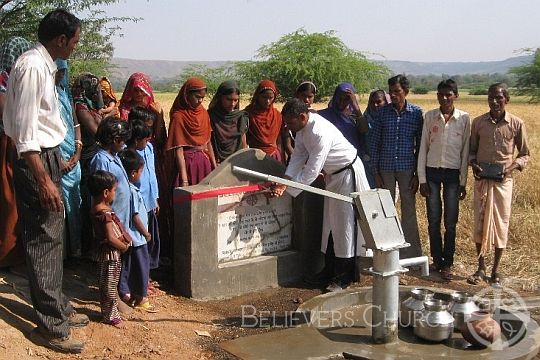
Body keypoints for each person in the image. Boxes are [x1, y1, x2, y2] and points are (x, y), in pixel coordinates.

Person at [2, 9, 88, 353]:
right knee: (43, 237)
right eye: (76, 41)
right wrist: (44, 180)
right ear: (61, 39)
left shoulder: (44, 65)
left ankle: (57, 306)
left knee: (52, 235)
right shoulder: (32, 67)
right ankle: (50, 326)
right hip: (35, 160)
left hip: (47, 156)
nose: (76, 47)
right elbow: (24, 135)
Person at [270, 98, 371, 291]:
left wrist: (286, 188)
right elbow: (298, 156)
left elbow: (312, 171)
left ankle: (344, 277)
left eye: (290, 122)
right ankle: (329, 271)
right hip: (333, 177)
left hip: (347, 177)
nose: (287, 126)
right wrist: (285, 179)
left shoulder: (319, 132)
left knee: (345, 227)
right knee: (331, 225)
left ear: (302, 116)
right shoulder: (301, 129)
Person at [467, 83, 529, 286]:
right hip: (482, 181)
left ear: (506, 100)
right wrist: (474, 165)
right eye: (491, 98)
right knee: (480, 223)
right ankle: (481, 268)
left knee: (501, 224)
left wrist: (509, 169)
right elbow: (472, 152)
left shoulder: (516, 124)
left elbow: (525, 154)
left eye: (499, 98)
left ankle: (495, 270)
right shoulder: (478, 123)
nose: (494, 102)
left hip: (504, 183)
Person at [417, 79, 470, 281]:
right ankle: (436, 260)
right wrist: (422, 178)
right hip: (431, 172)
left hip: (452, 175)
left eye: (449, 94)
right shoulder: (430, 117)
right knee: (433, 220)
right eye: (441, 95)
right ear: (437, 96)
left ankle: (448, 262)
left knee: (450, 221)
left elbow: (465, 152)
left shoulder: (464, 118)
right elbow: (423, 148)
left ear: (456, 95)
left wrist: (463, 181)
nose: (445, 98)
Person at [370, 74, 423, 260]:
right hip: (385, 168)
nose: (393, 95)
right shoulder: (382, 113)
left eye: (397, 92)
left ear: (406, 92)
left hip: (407, 168)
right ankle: (387, 254)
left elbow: (421, 146)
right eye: (391, 92)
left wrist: (418, 174)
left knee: (408, 210)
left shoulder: (416, 113)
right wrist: (375, 173)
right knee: (386, 210)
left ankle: (411, 254)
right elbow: (374, 144)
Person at [0, 36, 33, 267]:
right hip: (8, 143)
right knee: (9, 196)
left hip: (13, 142)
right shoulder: (5, 81)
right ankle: (7, 254)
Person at [88, 170, 132, 328]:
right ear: (106, 192)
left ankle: (108, 313)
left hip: (103, 253)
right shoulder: (105, 213)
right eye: (114, 190)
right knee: (110, 286)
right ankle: (111, 316)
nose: (115, 194)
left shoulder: (95, 208)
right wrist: (124, 247)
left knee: (105, 284)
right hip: (110, 255)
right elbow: (111, 238)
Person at [118, 149, 157, 312]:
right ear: (133, 173)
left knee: (130, 267)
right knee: (141, 268)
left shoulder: (129, 188)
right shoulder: (132, 191)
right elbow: (135, 215)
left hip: (134, 237)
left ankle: (131, 294)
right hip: (137, 237)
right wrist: (146, 233)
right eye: (141, 171)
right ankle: (140, 297)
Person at [126, 114, 161, 292]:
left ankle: (147, 276)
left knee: (151, 241)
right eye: (145, 138)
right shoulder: (129, 154)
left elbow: (152, 175)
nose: (148, 141)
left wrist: (155, 198)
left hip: (149, 201)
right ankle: (140, 281)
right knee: (140, 242)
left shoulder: (149, 148)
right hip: (137, 205)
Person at [72, 72, 105, 257]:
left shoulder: (89, 105)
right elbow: (97, 130)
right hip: (86, 158)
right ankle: (86, 247)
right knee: (87, 201)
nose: (97, 92)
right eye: (95, 88)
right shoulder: (80, 107)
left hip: (92, 154)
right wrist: (102, 116)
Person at [55, 59, 83, 259]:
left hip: (73, 156)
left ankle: (76, 250)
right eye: (58, 71)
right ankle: (62, 254)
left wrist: (78, 151)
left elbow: (75, 125)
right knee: (59, 206)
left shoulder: (65, 95)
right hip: (57, 158)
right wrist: (59, 160)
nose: (61, 75)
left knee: (75, 202)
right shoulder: (45, 96)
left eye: (64, 71)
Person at [166, 77, 216, 187]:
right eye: (197, 97)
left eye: (202, 98)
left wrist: (214, 167)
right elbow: (178, 148)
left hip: (204, 162)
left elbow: (208, 141)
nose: (200, 101)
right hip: (187, 164)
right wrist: (184, 179)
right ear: (187, 95)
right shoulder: (179, 116)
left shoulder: (203, 113)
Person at [89, 117, 132, 237]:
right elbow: (100, 195)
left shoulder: (115, 156)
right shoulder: (101, 160)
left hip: (121, 222)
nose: (124, 145)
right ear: (115, 140)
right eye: (123, 141)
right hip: (111, 226)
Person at [318, 82, 368, 155]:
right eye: (339, 98)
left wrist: (356, 107)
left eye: (346, 99)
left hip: (352, 158)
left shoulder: (354, 115)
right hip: (333, 157)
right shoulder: (324, 115)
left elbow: (364, 130)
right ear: (335, 97)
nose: (341, 102)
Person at [208, 80, 249, 164]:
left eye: (235, 100)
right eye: (228, 99)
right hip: (217, 163)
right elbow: (208, 142)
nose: (232, 104)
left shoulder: (240, 117)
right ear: (220, 97)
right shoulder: (210, 116)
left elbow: (243, 143)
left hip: (237, 163)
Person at [245, 80, 284, 162]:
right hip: (255, 157)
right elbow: (244, 139)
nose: (267, 101)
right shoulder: (248, 114)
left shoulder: (277, 116)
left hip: (274, 156)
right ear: (257, 96)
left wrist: (281, 158)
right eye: (264, 97)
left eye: (270, 98)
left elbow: (279, 140)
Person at [283, 81, 318, 161]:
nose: (306, 100)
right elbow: (287, 144)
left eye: (310, 97)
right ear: (297, 95)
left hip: (313, 159)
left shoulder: (316, 116)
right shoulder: (290, 113)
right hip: (294, 158)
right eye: (303, 96)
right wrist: (299, 161)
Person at [363, 89, 389, 188]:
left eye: (379, 102)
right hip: (368, 163)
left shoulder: (390, 119)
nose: (375, 105)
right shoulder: (365, 118)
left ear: (386, 102)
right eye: (372, 102)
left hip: (387, 164)